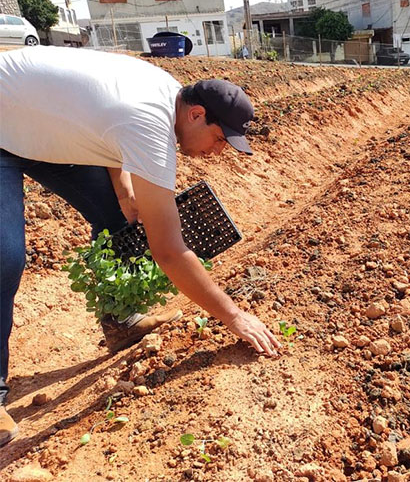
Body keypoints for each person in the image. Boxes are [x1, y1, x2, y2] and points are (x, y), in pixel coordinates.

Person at [0, 46, 282, 446]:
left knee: (118, 216)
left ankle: (119, 320)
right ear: (197, 115)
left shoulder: (169, 93)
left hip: (38, 124)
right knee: (4, 258)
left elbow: (98, 113)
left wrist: (122, 185)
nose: (218, 152)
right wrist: (234, 316)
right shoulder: (151, 125)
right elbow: (167, 249)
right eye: (220, 140)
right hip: (3, 119)